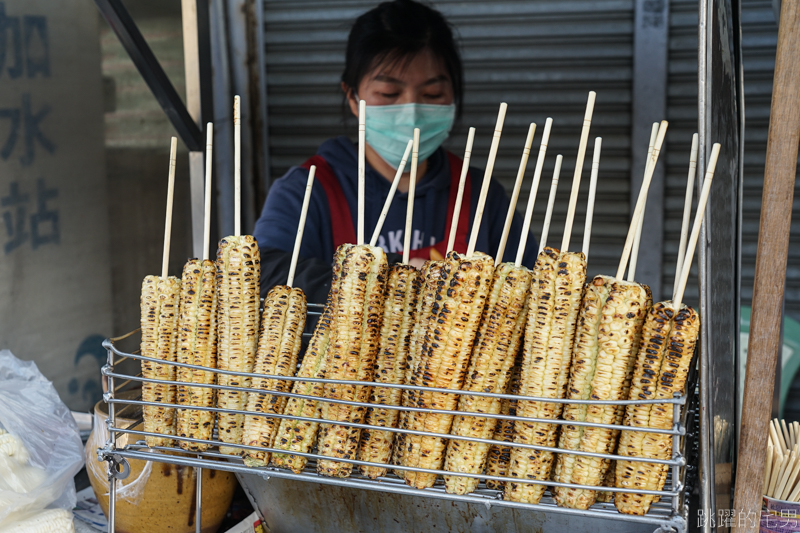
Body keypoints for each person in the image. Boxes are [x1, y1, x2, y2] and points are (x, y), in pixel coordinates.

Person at [253, 0, 537, 303]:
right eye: (389, 94)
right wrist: (393, 275)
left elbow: (527, 288)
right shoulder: (306, 189)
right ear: (352, 96)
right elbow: (264, 271)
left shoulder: (481, 196)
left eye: (432, 94)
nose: (411, 113)